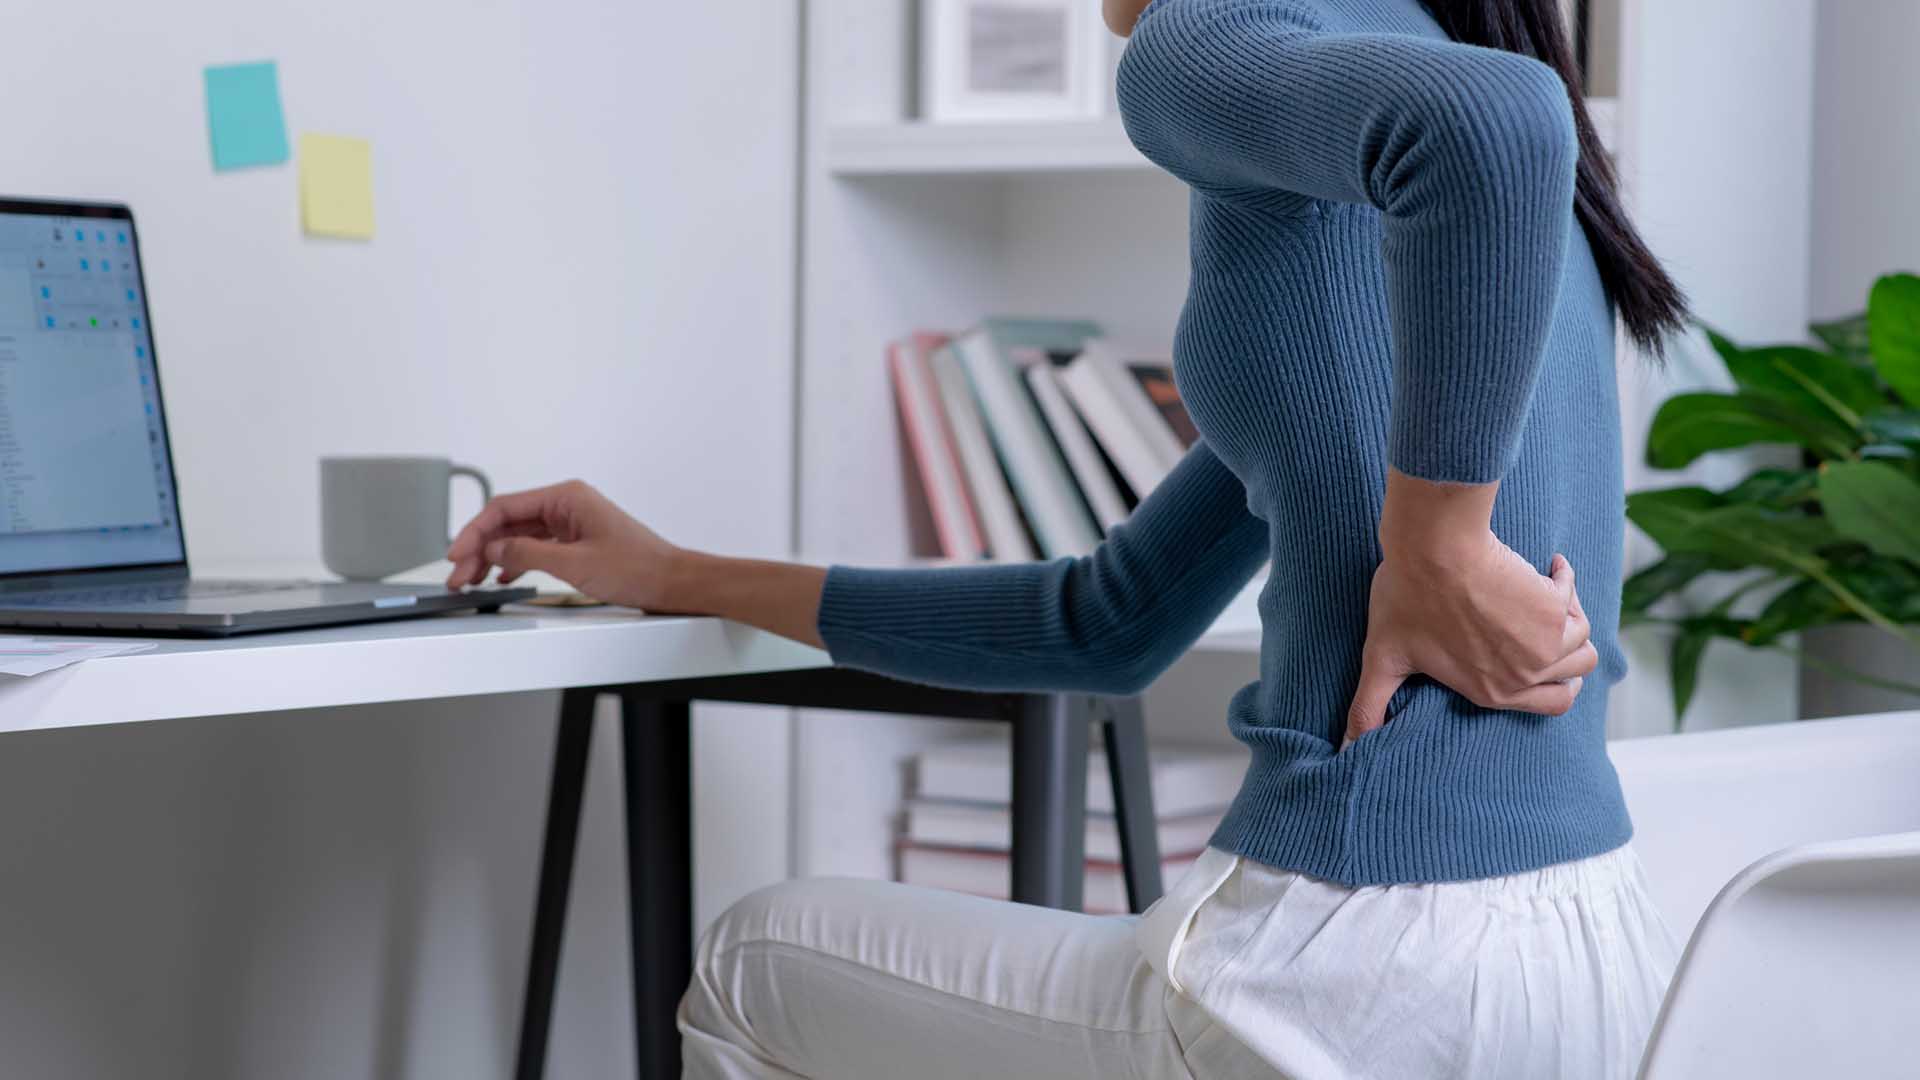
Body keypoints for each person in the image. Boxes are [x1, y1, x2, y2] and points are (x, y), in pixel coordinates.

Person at [448, 0, 1692, 1074]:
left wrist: (1439, 547)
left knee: (749, 963)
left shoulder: (1204, 38)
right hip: (1592, 966)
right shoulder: (1419, 72)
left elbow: (1492, 127)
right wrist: (672, 574)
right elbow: (1106, 622)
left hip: (1353, 966)